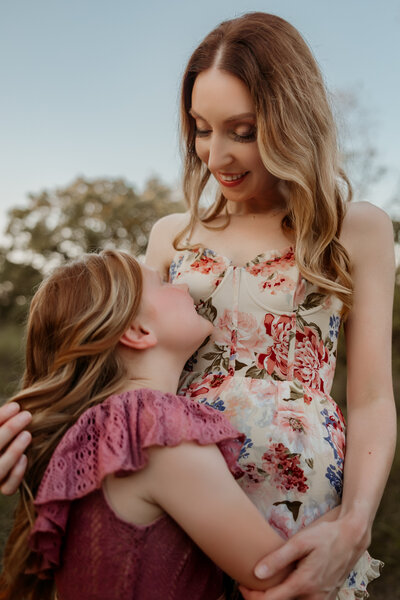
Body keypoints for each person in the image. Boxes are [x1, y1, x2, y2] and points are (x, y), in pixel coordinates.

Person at [0, 11, 396, 600]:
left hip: (304, 518)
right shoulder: (171, 237)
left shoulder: (354, 230)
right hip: (182, 509)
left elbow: (369, 397)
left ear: (292, 121)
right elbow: (115, 358)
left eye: (242, 130)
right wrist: (27, 419)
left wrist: (356, 524)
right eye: (201, 128)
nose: (216, 156)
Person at [1, 249, 297, 600]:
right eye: (162, 283)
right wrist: (347, 523)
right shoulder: (154, 428)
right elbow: (277, 573)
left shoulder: (99, 432)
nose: (184, 287)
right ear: (138, 330)